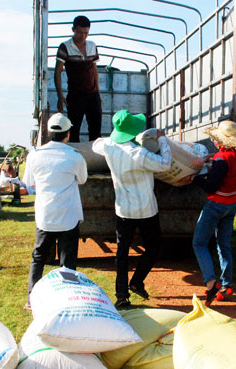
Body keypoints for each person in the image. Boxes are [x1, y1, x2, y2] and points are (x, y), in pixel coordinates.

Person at [92, 110, 172, 309]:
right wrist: (162, 140)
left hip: (123, 209)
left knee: (122, 253)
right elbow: (166, 164)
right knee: (153, 247)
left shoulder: (109, 146)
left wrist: (116, 136)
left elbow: (95, 144)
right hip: (146, 209)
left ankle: (121, 296)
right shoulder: (139, 153)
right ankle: (137, 281)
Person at [22, 113, 88, 310]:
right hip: (69, 216)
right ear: (68, 134)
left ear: (48, 133)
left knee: (39, 258)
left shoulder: (34, 155)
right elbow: (82, 179)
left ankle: (32, 300)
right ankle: (67, 300)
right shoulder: (75, 156)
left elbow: (28, 183)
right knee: (67, 261)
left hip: (45, 216)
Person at [187, 120, 236, 307]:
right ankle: (227, 285)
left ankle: (211, 282)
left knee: (199, 243)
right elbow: (227, 163)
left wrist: (194, 178)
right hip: (232, 203)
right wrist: (215, 158)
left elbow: (211, 186)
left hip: (216, 204)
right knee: (224, 244)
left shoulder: (221, 159)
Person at [55, 15, 102, 142]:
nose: (83, 36)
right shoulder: (65, 47)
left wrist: (98, 93)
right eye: (80, 32)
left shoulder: (92, 45)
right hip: (75, 95)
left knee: (96, 131)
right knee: (74, 131)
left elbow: (95, 70)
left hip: (93, 95)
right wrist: (60, 96)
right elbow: (57, 72)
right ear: (73, 30)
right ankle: (75, 159)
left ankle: (96, 159)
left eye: (86, 33)